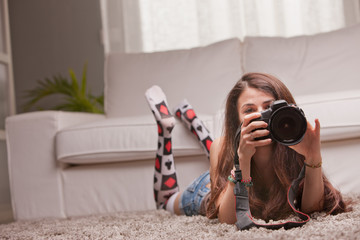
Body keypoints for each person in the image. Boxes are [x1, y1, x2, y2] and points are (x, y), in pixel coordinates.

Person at [145, 72, 349, 225]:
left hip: (229, 169)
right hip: (214, 190)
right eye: (249, 111)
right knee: (166, 202)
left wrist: (313, 156)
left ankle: (195, 123)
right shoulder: (224, 146)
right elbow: (228, 220)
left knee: (224, 149)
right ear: (237, 121)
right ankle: (166, 130)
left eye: (269, 108)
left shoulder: (293, 145)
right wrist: (242, 160)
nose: (261, 117)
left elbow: (312, 210)